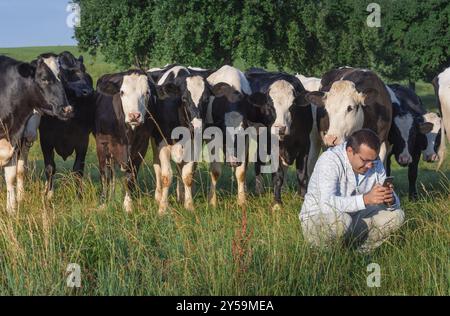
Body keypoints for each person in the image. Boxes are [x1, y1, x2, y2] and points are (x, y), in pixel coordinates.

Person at [299, 129, 405, 252]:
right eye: (364, 160)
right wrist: (365, 199)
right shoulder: (329, 160)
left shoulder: (374, 161)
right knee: (342, 221)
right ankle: (326, 255)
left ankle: (360, 252)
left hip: (353, 219)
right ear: (350, 151)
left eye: (373, 160)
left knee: (397, 216)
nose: (370, 165)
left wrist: (390, 199)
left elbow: (395, 204)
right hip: (318, 220)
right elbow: (326, 206)